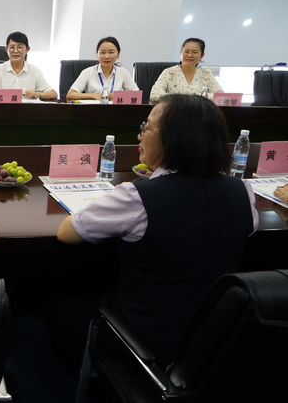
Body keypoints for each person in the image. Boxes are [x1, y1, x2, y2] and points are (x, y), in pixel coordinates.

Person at [56, 93, 258, 367]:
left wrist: (113, 199)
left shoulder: (137, 197)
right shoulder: (243, 192)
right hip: (211, 341)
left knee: (57, 310)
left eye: (147, 127)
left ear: (174, 139)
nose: (139, 136)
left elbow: (66, 232)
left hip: (145, 342)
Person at [0, 31, 57, 101]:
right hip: (4, 108)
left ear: (27, 49)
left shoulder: (35, 71)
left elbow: (53, 94)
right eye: (12, 47)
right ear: (6, 49)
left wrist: (38, 94)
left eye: (19, 47)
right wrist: (10, 97)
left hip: (27, 109)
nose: (15, 51)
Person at [149, 37, 223, 102]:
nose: (189, 55)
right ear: (181, 52)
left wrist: (198, 96)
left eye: (194, 52)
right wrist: (179, 99)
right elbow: (154, 95)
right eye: (186, 51)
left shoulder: (206, 74)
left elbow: (221, 97)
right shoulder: (169, 72)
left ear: (201, 56)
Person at [65, 36, 138, 101]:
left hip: (116, 110)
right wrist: (94, 96)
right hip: (93, 110)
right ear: (97, 54)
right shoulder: (87, 72)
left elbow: (137, 95)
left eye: (111, 52)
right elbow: (70, 95)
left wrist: (119, 95)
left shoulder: (123, 72)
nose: (107, 56)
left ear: (118, 54)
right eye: (102, 52)